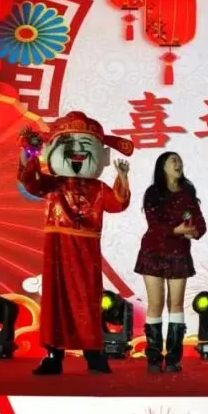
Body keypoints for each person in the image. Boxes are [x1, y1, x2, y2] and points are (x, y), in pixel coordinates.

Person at [18, 112, 133, 375]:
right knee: (56, 299)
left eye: (86, 145)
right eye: (69, 144)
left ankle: (93, 353)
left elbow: (118, 203)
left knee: (88, 298)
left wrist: (123, 177)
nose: (78, 151)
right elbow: (30, 181)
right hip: (58, 246)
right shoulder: (53, 183)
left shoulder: (98, 188)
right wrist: (29, 152)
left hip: (86, 249)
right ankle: (53, 354)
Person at [135, 151, 206, 373]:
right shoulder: (153, 193)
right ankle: (154, 357)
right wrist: (177, 230)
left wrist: (194, 232)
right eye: (173, 160)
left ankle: (174, 358)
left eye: (180, 160)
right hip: (153, 252)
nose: (179, 164)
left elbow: (200, 224)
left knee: (176, 304)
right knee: (155, 304)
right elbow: (154, 225)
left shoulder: (188, 192)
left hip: (179, 254)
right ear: (163, 167)